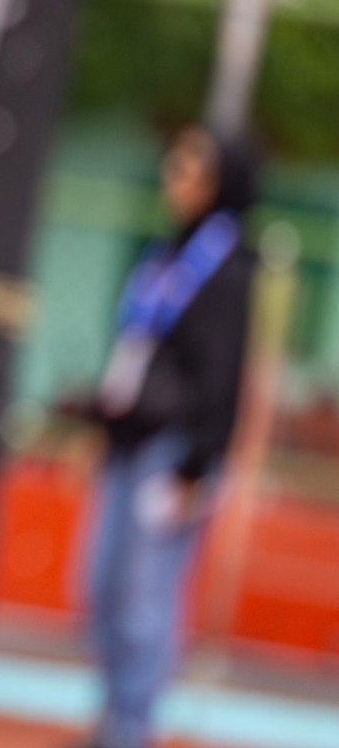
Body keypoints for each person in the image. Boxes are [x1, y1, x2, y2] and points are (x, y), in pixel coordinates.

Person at [80, 126, 257, 748]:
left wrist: (195, 470)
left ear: (219, 184)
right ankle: (111, 718)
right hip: (130, 442)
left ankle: (129, 729)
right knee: (98, 583)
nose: (173, 177)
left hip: (172, 452)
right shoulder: (169, 252)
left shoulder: (228, 265)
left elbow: (224, 372)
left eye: (189, 169)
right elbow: (142, 350)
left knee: (143, 599)